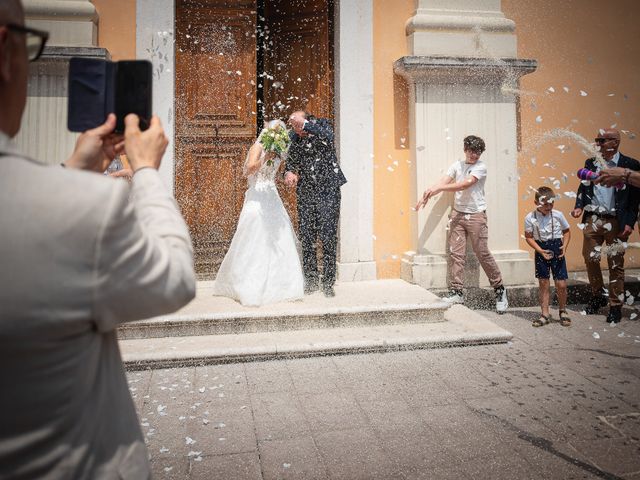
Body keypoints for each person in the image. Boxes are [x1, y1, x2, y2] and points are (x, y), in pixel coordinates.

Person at [0, 1, 196, 478]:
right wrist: (147, 171)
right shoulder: (85, 209)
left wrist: (73, 171)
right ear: (5, 53)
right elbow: (174, 278)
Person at [213, 119, 304, 306]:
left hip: (272, 194)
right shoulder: (258, 146)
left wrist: (288, 175)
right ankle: (247, 283)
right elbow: (247, 171)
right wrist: (265, 157)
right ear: (268, 132)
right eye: (276, 131)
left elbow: (277, 172)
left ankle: (282, 285)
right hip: (257, 195)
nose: (279, 134)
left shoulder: (279, 150)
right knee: (253, 232)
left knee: (280, 235)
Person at [415, 135, 508, 313]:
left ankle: (500, 289)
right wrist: (428, 193)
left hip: (476, 216)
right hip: (458, 214)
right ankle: (457, 291)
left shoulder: (481, 167)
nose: (474, 155)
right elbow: (444, 181)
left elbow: (465, 185)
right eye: (472, 151)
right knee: (456, 254)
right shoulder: (457, 165)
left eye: (478, 152)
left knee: (482, 253)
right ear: (465, 149)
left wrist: (439, 189)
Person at [570, 128, 640, 323]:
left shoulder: (630, 165)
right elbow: (583, 184)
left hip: (616, 221)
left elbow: (635, 198)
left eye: (602, 140)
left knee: (615, 264)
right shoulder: (591, 162)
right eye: (597, 140)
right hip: (593, 218)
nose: (598, 144)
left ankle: (615, 305)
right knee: (590, 258)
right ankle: (597, 295)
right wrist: (579, 206)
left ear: (615, 143)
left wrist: (629, 222)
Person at [284, 111, 347, 297]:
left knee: (328, 235)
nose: (297, 131)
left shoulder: (322, 126)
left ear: (306, 120)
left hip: (329, 190)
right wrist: (289, 173)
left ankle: (328, 282)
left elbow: (329, 136)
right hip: (306, 192)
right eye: (294, 127)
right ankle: (311, 280)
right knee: (307, 235)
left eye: (298, 126)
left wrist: (304, 125)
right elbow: (291, 161)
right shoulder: (294, 137)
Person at [524, 187, 572, 327]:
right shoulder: (530, 218)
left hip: (557, 247)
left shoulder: (558, 215)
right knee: (544, 283)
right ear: (536, 202)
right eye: (545, 204)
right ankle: (545, 313)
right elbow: (528, 237)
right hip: (541, 249)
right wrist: (539, 250)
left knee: (561, 283)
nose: (549, 207)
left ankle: (563, 310)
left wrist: (564, 246)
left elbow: (567, 231)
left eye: (551, 204)